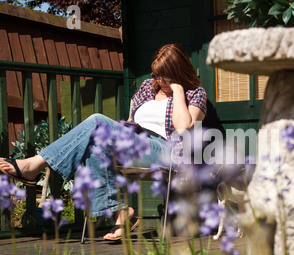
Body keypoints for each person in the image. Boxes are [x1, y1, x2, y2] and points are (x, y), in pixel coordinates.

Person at [0, 44, 207, 240]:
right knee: (96, 145)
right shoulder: (147, 88)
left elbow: (182, 127)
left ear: (178, 70)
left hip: (164, 150)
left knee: (97, 120)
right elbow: (130, 120)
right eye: (156, 74)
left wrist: (178, 90)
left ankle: (34, 164)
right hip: (133, 140)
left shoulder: (195, 93)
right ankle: (121, 214)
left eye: (165, 75)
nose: (160, 80)